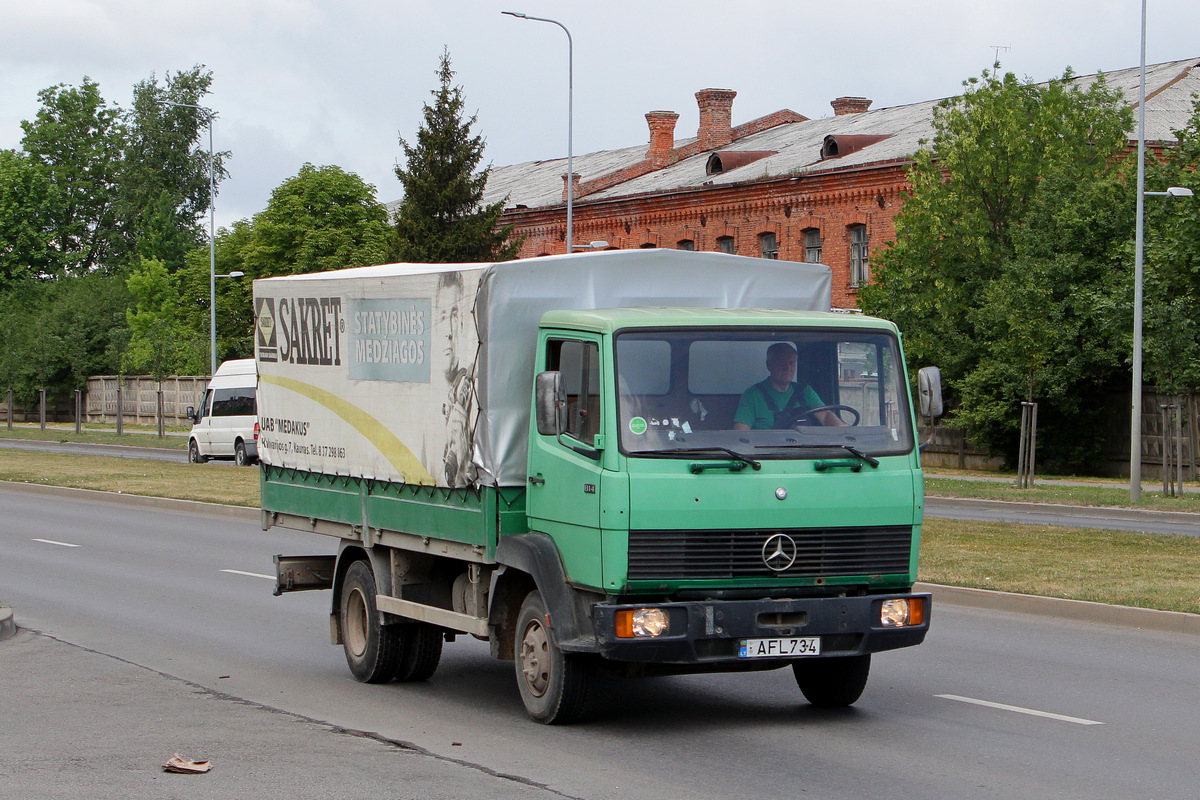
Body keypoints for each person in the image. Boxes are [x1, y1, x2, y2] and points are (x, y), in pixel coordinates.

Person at [732, 342, 843, 429]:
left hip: (804, 453)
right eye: (781, 362)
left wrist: (840, 427)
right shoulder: (752, 395)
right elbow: (741, 434)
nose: (787, 367)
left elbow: (825, 416)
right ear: (769, 365)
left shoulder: (806, 391)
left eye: (791, 363)